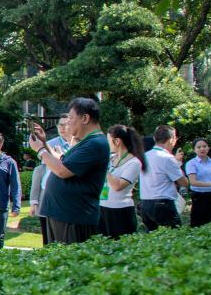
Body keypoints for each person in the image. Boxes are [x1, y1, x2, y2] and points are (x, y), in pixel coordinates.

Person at [27, 97, 109, 245]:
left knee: (69, 256)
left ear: (85, 118)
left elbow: (62, 171)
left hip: (73, 216)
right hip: (62, 214)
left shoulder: (95, 143)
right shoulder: (86, 143)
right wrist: (44, 143)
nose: (68, 123)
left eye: (71, 118)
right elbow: (62, 160)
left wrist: (40, 150)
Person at [29, 115, 71, 245]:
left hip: (69, 194)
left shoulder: (78, 144)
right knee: (49, 235)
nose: (62, 128)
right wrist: (34, 201)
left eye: (65, 124)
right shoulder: (51, 144)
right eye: (60, 125)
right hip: (50, 191)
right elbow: (41, 171)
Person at [100, 124, 146, 237]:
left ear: (117, 141)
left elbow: (118, 186)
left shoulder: (134, 162)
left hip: (120, 211)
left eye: (108, 140)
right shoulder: (111, 158)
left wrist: (103, 167)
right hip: (102, 207)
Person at [139, 125, 188, 231]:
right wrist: (178, 164)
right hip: (163, 204)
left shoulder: (144, 156)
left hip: (145, 203)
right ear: (171, 139)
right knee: (174, 235)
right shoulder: (167, 158)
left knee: (151, 237)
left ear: (154, 138)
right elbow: (184, 183)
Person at [185, 138, 211, 226]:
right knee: (198, 223)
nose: (202, 149)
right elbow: (193, 182)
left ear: (208, 148)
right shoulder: (191, 163)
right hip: (199, 196)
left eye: (204, 146)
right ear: (194, 150)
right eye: (198, 147)